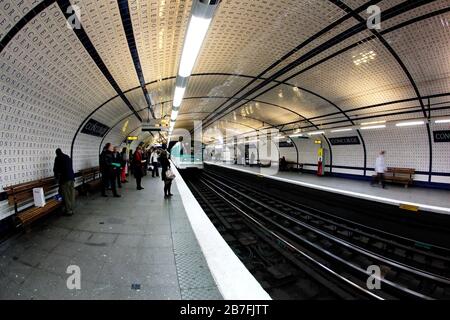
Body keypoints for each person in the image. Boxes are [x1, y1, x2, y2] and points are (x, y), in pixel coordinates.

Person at [53, 148, 75, 215]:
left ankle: (68, 211)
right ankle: (72, 208)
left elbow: (55, 169)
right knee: (71, 194)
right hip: (72, 178)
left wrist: (56, 178)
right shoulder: (67, 157)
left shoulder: (58, 158)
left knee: (66, 196)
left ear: (56, 153)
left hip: (65, 180)